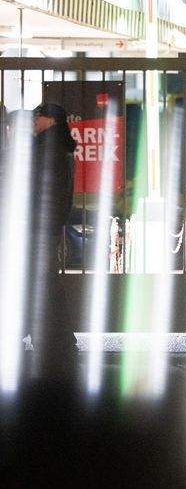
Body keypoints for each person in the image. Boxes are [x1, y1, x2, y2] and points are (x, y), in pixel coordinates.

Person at [27, 102, 78, 377]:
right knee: (47, 282)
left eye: (39, 116)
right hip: (49, 227)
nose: (34, 120)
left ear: (52, 122)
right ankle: (56, 337)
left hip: (39, 227)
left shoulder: (47, 151)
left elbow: (38, 192)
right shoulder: (64, 150)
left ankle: (50, 338)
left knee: (43, 283)